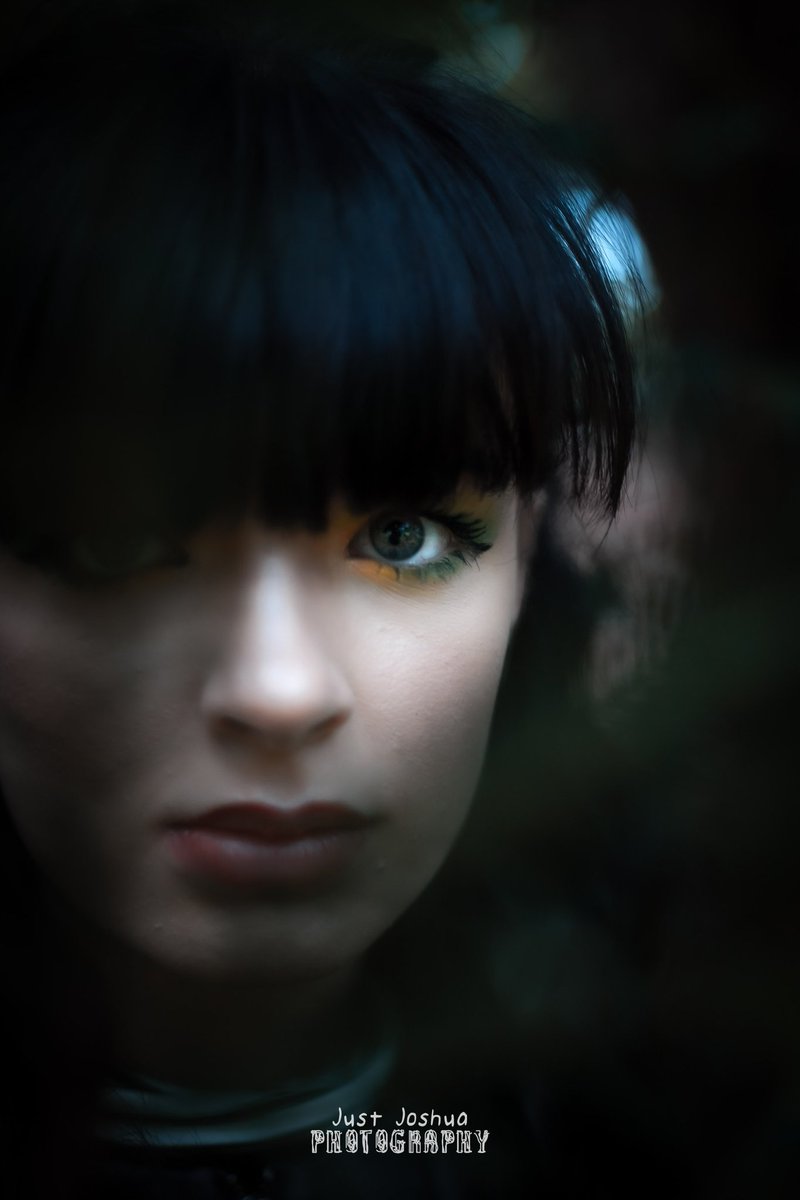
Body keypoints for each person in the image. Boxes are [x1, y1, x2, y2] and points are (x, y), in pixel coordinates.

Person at [0, 4, 637, 1197]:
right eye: (112, 542)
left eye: (401, 537)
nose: (278, 691)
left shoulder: (655, 1108)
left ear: (522, 572)